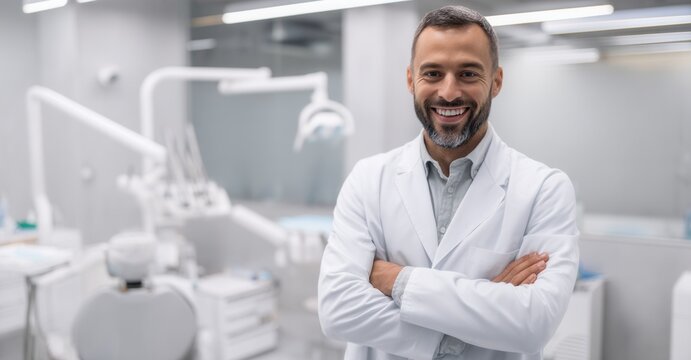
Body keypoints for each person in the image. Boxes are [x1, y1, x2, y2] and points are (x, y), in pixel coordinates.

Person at [317, 5, 579, 360]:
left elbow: (534, 323)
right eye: (433, 73)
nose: (449, 92)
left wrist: (398, 281)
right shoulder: (368, 180)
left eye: (468, 74)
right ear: (411, 79)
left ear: (497, 81)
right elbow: (338, 310)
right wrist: (478, 314)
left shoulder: (544, 190)